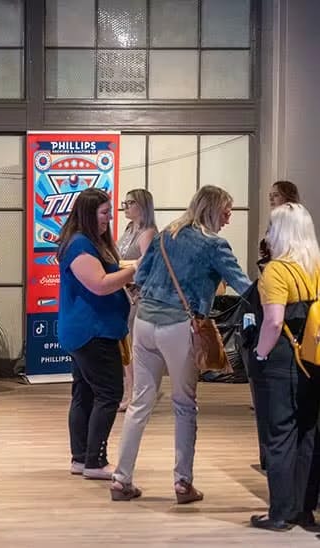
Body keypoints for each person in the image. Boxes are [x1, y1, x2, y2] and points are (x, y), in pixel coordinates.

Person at [110, 185, 251, 502]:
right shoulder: (214, 245)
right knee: (184, 405)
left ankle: (121, 479)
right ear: (214, 209)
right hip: (179, 327)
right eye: (227, 211)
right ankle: (182, 483)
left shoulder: (165, 235)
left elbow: (141, 276)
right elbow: (244, 286)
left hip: (145, 323)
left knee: (139, 403)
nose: (228, 219)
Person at [248, 203, 320, 531]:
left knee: (280, 435)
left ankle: (279, 513)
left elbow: (274, 321)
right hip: (314, 359)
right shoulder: (316, 266)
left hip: (283, 361)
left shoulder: (276, 270)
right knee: (308, 433)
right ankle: (303, 511)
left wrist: (260, 355)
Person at [56, 188, 134, 480]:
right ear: (89, 214)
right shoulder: (79, 245)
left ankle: (81, 458)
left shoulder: (91, 242)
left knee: (85, 393)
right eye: (104, 213)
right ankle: (95, 460)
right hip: (91, 331)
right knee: (109, 393)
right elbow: (99, 284)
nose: (108, 218)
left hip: (93, 329)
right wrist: (133, 270)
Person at [116, 189, 157, 412]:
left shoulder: (148, 232)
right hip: (122, 291)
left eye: (130, 202)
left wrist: (120, 266)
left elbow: (143, 265)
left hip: (138, 295)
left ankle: (136, 393)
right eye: (125, 202)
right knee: (125, 345)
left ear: (142, 205)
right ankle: (128, 390)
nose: (125, 206)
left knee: (135, 346)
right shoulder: (129, 229)